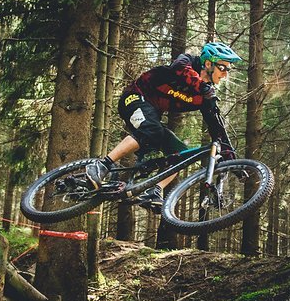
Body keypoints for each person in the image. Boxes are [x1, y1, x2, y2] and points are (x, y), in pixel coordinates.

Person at [86, 41, 242, 211]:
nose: (226, 74)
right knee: (152, 130)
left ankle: (154, 191)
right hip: (134, 98)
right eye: (223, 68)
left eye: (228, 70)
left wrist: (234, 163)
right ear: (208, 63)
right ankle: (101, 165)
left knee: (180, 154)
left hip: (152, 115)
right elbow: (178, 67)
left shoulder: (205, 97)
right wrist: (203, 87)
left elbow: (217, 129)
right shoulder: (188, 62)